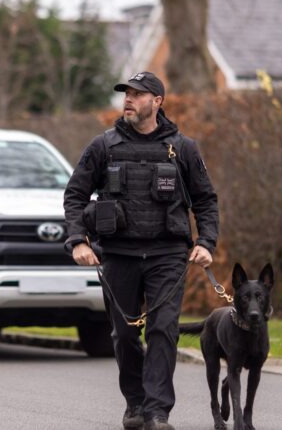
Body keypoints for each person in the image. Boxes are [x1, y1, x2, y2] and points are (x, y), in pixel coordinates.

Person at [63, 71, 219, 430]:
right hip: (118, 255)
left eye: (138, 94)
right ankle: (135, 403)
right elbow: (74, 197)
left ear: (157, 102)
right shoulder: (104, 146)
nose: (128, 99)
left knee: (164, 330)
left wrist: (206, 242)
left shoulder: (182, 148)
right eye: (126, 93)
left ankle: (157, 412)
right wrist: (79, 241)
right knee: (124, 334)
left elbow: (206, 201)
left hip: (168, 255)